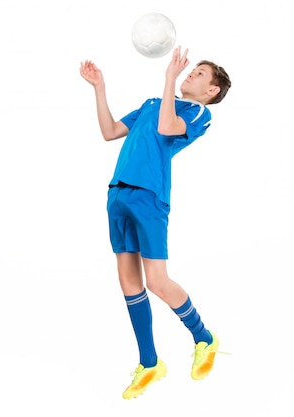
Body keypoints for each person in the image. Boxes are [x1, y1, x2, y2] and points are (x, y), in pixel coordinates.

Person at [79, 46, 232, 399]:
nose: (190, 74)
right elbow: (110, 131)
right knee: (129, 282)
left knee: (158, 282)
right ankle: (150, 363)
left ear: (212, 91)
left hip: (150, 197)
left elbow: (167, 127)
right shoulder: (151, 103)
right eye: (190, 71)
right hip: (118, 193)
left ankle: (204, 338)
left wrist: (169, 78)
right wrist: (100, 88)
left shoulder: (198, 113)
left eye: (198, 74)